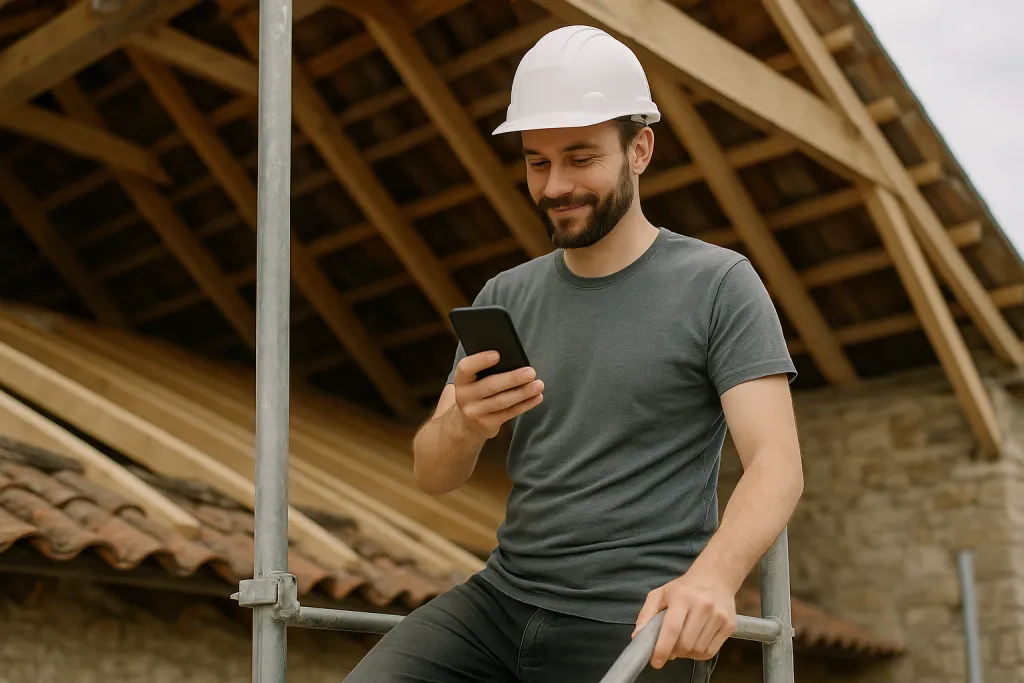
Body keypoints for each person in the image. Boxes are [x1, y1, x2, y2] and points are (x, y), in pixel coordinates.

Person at [343, 24, 804, 683]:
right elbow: (433, 475)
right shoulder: (505, 294)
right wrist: (464, 423)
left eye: (581, 158)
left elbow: (777, 463)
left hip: (634, 616)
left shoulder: (718, 284)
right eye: (538, 162)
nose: (556, 185)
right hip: (499, 600)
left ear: (640, 149)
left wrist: (713, 577)